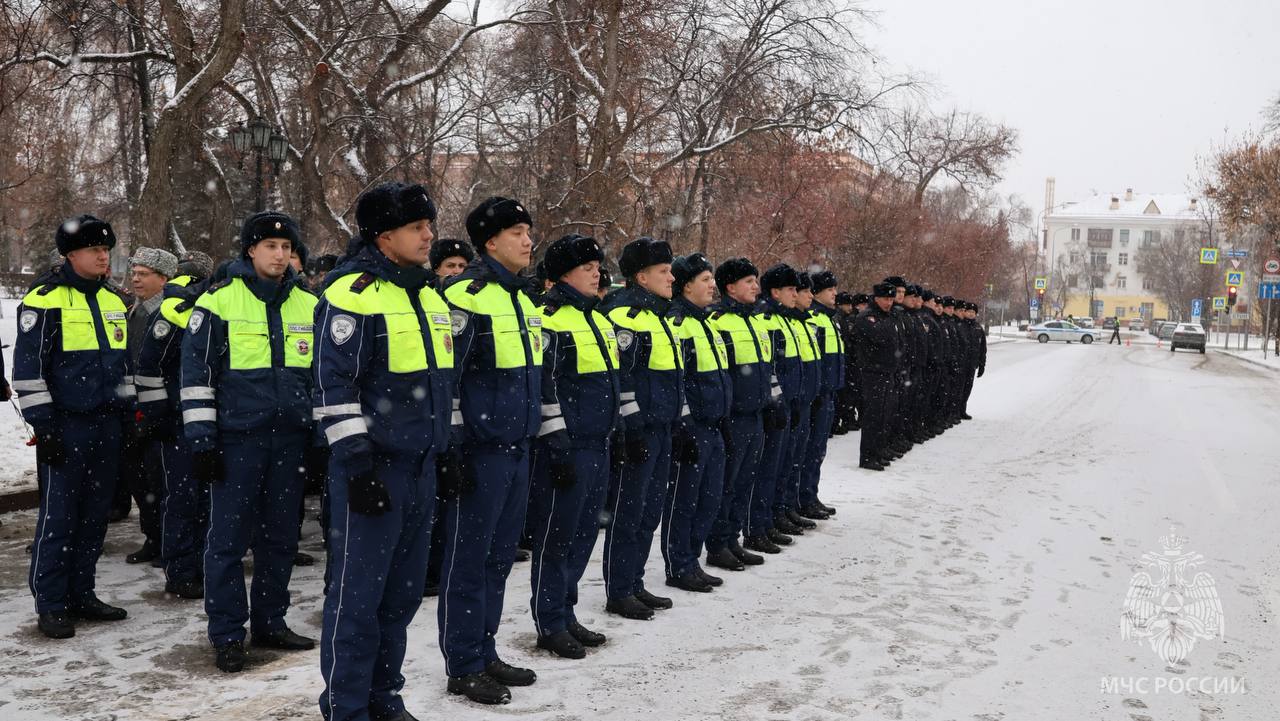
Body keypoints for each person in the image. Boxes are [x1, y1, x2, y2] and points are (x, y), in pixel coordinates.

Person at [314, 182, 454, 721]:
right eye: (418, 227)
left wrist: (448, 447)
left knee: (399, 599)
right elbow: (333, 386)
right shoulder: (353, 293)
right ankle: (346, 708)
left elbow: (442, 382)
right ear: (384, 234)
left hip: (420, 467)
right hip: (375, 470)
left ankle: (383, 698)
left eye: (428, 225)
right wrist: (358, 465)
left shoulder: (426, 293)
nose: (428, 236)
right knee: (357, 601)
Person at [181, 210, 318, 672]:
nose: (279, 255)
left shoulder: (309, 304)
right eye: (270, 247)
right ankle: (226, 633)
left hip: (291, 442)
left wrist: (319, 437)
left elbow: (321, 378)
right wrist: (202, 441)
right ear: (250, 250)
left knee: (280, 538)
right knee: (227, 541)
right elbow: (197, 377)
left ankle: (270, 621)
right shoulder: (218, 302)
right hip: (237, 441)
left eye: (286, 247)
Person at [437, 196, 542, 705]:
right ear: (490, 242)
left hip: (517, 445)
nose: (527, 240)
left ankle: (485, 647)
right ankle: (463, 662)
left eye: (528, 231)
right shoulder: (466, 294)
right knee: (470, 559)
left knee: (499, 559)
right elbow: (449, 380)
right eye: (517, 232)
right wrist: (454, 447)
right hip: (480, 450)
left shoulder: (523, 299)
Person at [15, 214, 134, 639]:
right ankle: (50, 603)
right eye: (94, 250)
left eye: (106, 250)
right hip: (66, 425)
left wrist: (129, 412)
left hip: (107, 424)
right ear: (70, 255)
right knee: (59, 517)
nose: (104, 256)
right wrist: (44, 428)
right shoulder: (45, 300)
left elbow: (124, 367)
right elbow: (28, 372)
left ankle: (82, 593)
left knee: (96, 515)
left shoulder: (114, 301)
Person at [526, 233, 620, 659]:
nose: (596, 272)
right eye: (587, 267)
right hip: (569, 447)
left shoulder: (597, 318)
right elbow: (546, 388)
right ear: (563, 274)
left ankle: (566, 611)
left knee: (584, 533)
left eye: (597, 266)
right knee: (557, 537)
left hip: (598, 443)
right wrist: (556, 443)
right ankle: (549, 621)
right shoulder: (551, 318)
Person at [598, 236, 683, 621]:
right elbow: (624, 379)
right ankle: (619, 589)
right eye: (664, 272)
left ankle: (634, 581)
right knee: (629, 511)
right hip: (640, 431)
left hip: (662, 428)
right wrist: (631, 430)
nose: (672, 278)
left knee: (650, 512)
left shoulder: (660, 316)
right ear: (641, 278)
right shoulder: (625, 316)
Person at [136, 251, 214, 600]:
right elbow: (149, 368)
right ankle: (183, 571)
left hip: (187, 417)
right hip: (185, 419)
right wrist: (159, 418)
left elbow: (149, 367)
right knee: (188, 499)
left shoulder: (183, 305)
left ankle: (188, 568)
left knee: (189, 499)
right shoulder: (180, 307)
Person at [662, 253, 731, 594]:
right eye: (705, 280)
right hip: (693, 427)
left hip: (714, 425)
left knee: (709, 497)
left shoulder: (707, 322)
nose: (712, 285)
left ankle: (692, 559)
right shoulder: (678, 322)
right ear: (686, 285)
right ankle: (679, 564)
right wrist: (685, 423)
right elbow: (679, 380)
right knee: (684, 500)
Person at [703, 258, 770, 572]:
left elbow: (765, 367)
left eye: (755, 281)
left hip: (755, 414)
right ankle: (717, 544)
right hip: (734, 417)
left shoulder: (755, 320)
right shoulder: (719, 321)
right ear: (730, 287)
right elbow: (721, 374)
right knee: (726, 484)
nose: (756, 287)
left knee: (745, 481)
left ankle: (733, 538)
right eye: (749, 281)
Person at [422, 236, 479, 599]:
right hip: (433, 421)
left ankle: (443, 565)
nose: (456, 273)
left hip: (466, 419)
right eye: (449, 268)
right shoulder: (433, 304)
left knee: (454, 503)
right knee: (433, 506)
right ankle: (428, 570)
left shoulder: (466, 306)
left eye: (461, 267)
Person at [121, 247, 179, 566]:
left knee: (158, 479)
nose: (136, 279)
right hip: (134, 406)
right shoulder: (136, 309)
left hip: (158, 408)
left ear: (163, 278)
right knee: (139, 478)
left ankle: (163, 539)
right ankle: (153, 536)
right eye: (135, 273)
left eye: (143, 274)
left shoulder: (166, 312)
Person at [748, 264, 803, 554]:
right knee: (765, 470)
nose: (796, 294)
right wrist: (775, 401)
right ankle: (756, 525)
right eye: (791, 289)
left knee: (782, 465)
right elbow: (771, 369)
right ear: (775, 292)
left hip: (788, 404)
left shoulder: (784, 319)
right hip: (771, 407)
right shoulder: (766, 319)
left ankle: (772, 516)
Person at [799, 270, 842, 518]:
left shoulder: (829, 319)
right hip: (816, 395)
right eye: (830, 289)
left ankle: (811, 494)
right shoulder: (814, 319)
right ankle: (803, 497)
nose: (835, 293)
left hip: (828, 394)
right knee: (809, 450)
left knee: (818, 450)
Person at [851, 283, 901, 471]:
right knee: (873, 417)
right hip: (872, 373)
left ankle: (878, 452)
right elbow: (880, 336)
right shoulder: (867, 317)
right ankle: (867, 456)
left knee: (884, 415)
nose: (889, 303)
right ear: (876, 298)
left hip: (887, 372)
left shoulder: (887, 317)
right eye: (886, 299)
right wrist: (890, 321)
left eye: (891, 299)